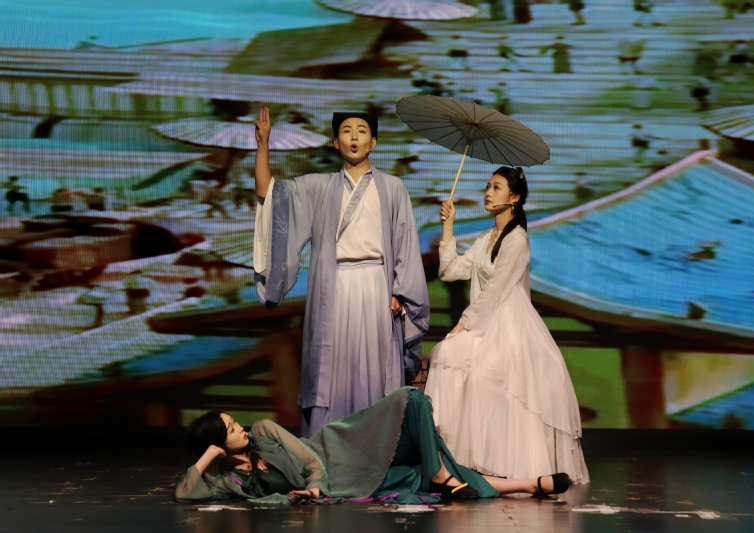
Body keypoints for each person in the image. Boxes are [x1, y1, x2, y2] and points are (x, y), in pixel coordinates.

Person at [253, 107, 429, 438]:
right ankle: (326, 448)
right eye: (346, 131)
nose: (354, 137)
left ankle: (377, 446)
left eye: (362, 131)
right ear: (336, 142)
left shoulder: (393, 188)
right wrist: (263, 145)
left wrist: (401, 292)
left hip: (376, 285)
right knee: (331, 371)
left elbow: (405, 242)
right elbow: (269, 194)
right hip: (333, 288)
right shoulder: (318, 186)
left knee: (374, 370)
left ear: (373, 142)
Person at [425, 167, 589, 484]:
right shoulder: (485, 238)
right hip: (485, 321)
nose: (488, 192)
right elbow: (450, 271)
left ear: (513, 198)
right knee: (445, 355)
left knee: (483, 378)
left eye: (496, 188)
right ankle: (450, 459)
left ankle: (502, 464)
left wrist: (463, 324)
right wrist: (448, 227)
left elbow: (496, 289)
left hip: (508, 324)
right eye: (488, 186)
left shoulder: (517, 240)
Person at [175, 387, 571, 503]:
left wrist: (315, 488)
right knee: (420, 474)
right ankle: (526, 485)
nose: (240, 428)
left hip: (341, 452)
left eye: (234, 422)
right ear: (218, 445)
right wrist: (209, 455)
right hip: (349, 485)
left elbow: (310, 461)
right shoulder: (232, 481)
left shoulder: (263, 431)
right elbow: (185, 493)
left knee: (411, 399)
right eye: (230, 429)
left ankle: (440, 473)